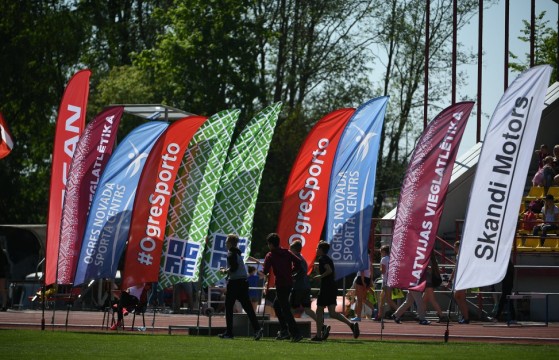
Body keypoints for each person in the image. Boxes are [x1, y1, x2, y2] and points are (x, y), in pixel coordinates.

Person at [217, 234, 263, 340]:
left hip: (234, 283)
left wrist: (224, 271)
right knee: (248, 307)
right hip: (243, 282)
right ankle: (257, 329)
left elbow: (234, 268)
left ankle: (229, 332)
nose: (225, 243)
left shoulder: (231, 253)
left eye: (226, 241)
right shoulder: (237, 252)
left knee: (228, 307)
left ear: (229, 243)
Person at [312, 241, 359, 341]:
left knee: (319, 310)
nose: (316, 250)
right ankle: (351, 324)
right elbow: (330, 272)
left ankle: (319, 335)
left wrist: (320, 276)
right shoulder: (328, 259)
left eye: (317, 248)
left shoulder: (322, 259)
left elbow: (329, 271)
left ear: (320, 250)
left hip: (326, 288)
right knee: (332, 313)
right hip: (332, 286)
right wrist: (318, 272)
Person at [262, 233, 303, 342]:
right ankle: (284, 330)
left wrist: (262, 273)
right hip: (289, 283)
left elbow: (265, 270)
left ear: (270, 244)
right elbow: (298, 262)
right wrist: (291, 272)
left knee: (285, 309)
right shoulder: (287, 252)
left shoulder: (270, 255)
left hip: (280, 284)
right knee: (277, 305)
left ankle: (295, 333)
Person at [289, 240, 330, 339]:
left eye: (290, 249)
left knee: (290, 309)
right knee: (307, 309)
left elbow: (297, 273)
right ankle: (322, 326)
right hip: (306, 286)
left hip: (298, 287)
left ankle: (291, 330)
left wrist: (290, 276)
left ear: (293, 250)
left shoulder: (296, 259)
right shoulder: (302, 258)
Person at [448, 241, 469, 324]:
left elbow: (457, 268)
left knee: (459, 297)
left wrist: (451, 278)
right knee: (459, 297)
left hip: (462, 278)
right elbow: (456, 268)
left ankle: (466, 317)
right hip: (461, 278)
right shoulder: (460, 255)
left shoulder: (460, 255)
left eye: (455, 247)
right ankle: (465, 316)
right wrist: (451, 278)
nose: (454, 248)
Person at [350, 250, 374, 322]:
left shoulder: (362, 258)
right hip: (367, 278)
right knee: (363, 298)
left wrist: (363, 282)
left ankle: (358, 316)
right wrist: (369, 280)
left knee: (359, 299)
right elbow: (371, 270)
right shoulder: (369, 258)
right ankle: (373, 309)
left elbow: (362, 270)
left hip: (361, 278)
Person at [376, 245, 398, 320]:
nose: (380, 253)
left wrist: (380, 267)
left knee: (388, 299)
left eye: (381, 251)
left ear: (384, 252)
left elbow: (383, 271)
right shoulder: (392, 258)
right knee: (382, 298)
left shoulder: (383, 259)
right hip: (391, 279)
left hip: (385, 280)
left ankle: (400, 312)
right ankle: (379, 315)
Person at [423, 254, 444, 322]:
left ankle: (441, 315)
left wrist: (423, 267)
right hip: (430, 282)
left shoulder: (428, 260)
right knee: (424, 300)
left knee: (432, 300)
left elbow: (429, 268)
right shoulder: (433, 260)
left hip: (428, 282)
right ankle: (421, 315)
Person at [0, 247, 8, 311]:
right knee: (3, 290)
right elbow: (6, 264)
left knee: (2, 290)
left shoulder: (3, 253)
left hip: (1, 273)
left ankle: (4, 305)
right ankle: (4, 305)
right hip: (2, 273)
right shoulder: (3, 253)